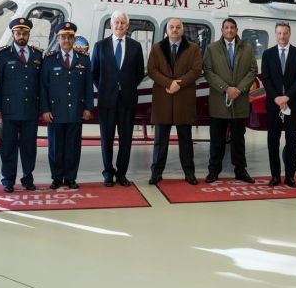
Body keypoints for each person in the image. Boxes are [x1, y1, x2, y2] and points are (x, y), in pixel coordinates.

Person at [146, 18, 203, 185]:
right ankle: (156, 173)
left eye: (178, 27)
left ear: (182, 30)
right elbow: (151, 70)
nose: (175, 30)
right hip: (163, 99)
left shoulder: (193, 48)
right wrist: (168, 83)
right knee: (160, 141)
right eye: (172, 27)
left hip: (183, 99)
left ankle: (189, 173)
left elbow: (196, 70)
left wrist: (179, 84)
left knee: (185, 140)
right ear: (167, 30)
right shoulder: (157, 48)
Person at [91, 11, 145, 187]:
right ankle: (108, 173)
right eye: (116, 22)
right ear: (111, 25)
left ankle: (122, 174)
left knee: (126, 139)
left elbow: (139, 73)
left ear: (127, 26)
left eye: (123, 23)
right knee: (106, 138)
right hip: (107, 100)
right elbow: (94, 72)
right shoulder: (100, 46)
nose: (119, 25)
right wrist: (107, 89)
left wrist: (125, 87)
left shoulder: (136, 47)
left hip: (127, 100)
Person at [202, 18, 258, 183]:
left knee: (238, 140)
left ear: (236, 29)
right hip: (219, 102)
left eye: (232, 27)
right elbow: (208, 71)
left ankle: (240, 171)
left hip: (239, 102)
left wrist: (239, 89)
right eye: (226, 27)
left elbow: (253, 70)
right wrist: (226, 88)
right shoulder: (212, 49)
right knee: (217, 140)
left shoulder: (247, 48)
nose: (229, 30)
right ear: (222, 30)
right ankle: (213, 171)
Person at [0, 17, 44, 193]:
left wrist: (42, 108)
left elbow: (41, 85)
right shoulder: (2, 55)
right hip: (8, 111)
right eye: (18, 32)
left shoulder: (38, 54)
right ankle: (8, 179)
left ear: (29, 34)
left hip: (30, 110)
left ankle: (27, 178)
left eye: (25, 33)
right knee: (8, 147)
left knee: (29, 147)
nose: (21, 35)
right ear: (13, 34)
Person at [41, 22, 93, 190]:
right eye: (63, 37)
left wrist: (88, 108)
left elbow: (88, 86)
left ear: (73, 39)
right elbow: (43, 87)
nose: (67, 40)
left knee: (73, 147)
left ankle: (70, 178)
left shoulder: (83, 60)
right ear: (58, 39)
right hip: (55, 112)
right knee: (55, 148)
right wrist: (45, 109)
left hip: (75, 111)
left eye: (70, 37)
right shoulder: (49, 60)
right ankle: (57, 178)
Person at [261, 22, 296, 187]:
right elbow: (266, 79)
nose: (282, 36)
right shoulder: (268, 54)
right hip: (273, 105)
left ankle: (290, 177)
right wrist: (277, 98)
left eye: (285, 33)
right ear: (275, 34)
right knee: (273, 141)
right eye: (279, 33)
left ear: (289, 34)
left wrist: (286, 97)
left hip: (292, 104)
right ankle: (274, 176)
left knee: (291, 141)